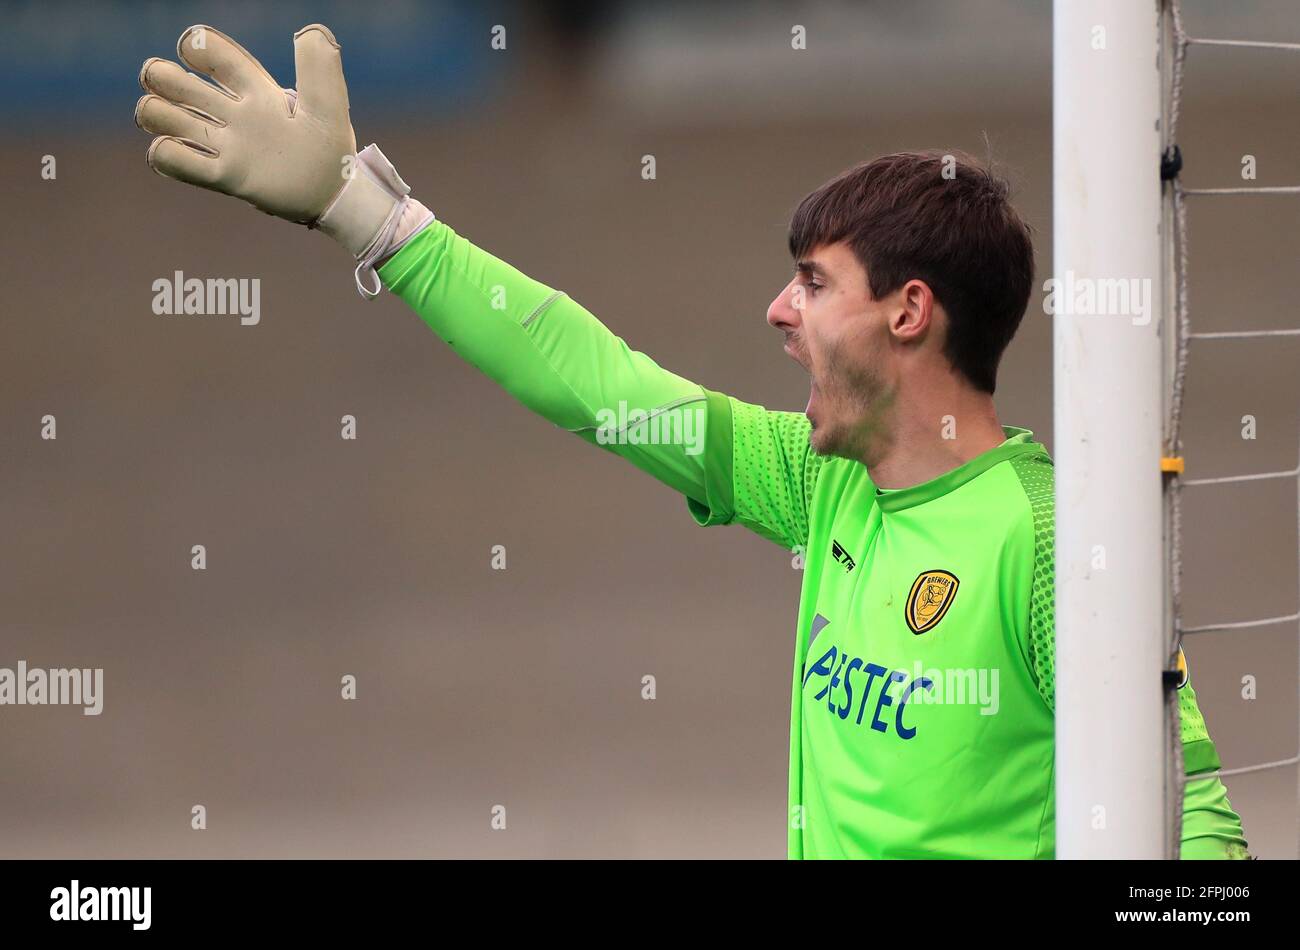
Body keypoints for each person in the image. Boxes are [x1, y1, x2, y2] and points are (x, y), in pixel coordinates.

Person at [134, 23, 1250, 859]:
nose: (778, 309)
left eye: (813, 283)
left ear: (909, 312)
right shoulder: (820, 489)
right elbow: (599, 382)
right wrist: (369, 217)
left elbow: (1195, 816)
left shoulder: (1052, 538)